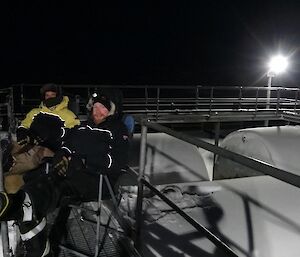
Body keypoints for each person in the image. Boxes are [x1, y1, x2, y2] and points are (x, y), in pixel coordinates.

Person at [0, 92, 129, 257]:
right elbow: (68, 145)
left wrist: (84, 162)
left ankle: (20, 205)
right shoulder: (83, 126)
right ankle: (33, 234)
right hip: (71, 172)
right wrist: (61, 156)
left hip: (97, 178)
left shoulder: (117, 129)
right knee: (41, 183)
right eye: (95, 107)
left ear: (111, 111)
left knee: (51, 188)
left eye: (103, 108)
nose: (97, 111)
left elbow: (118, 163)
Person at [4, 83, 80, 193]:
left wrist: (53, 134)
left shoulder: (68, 115)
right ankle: (7, 164)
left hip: (51, 149)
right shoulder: (35, 112)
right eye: (47, 95)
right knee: (12, 145)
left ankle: (7, 165)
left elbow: (75, 133)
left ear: (58, 96)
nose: (49, 98)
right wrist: (23, 132)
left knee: (36, 152)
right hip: (31, 143)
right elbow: (24, 124)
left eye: (52, 95)